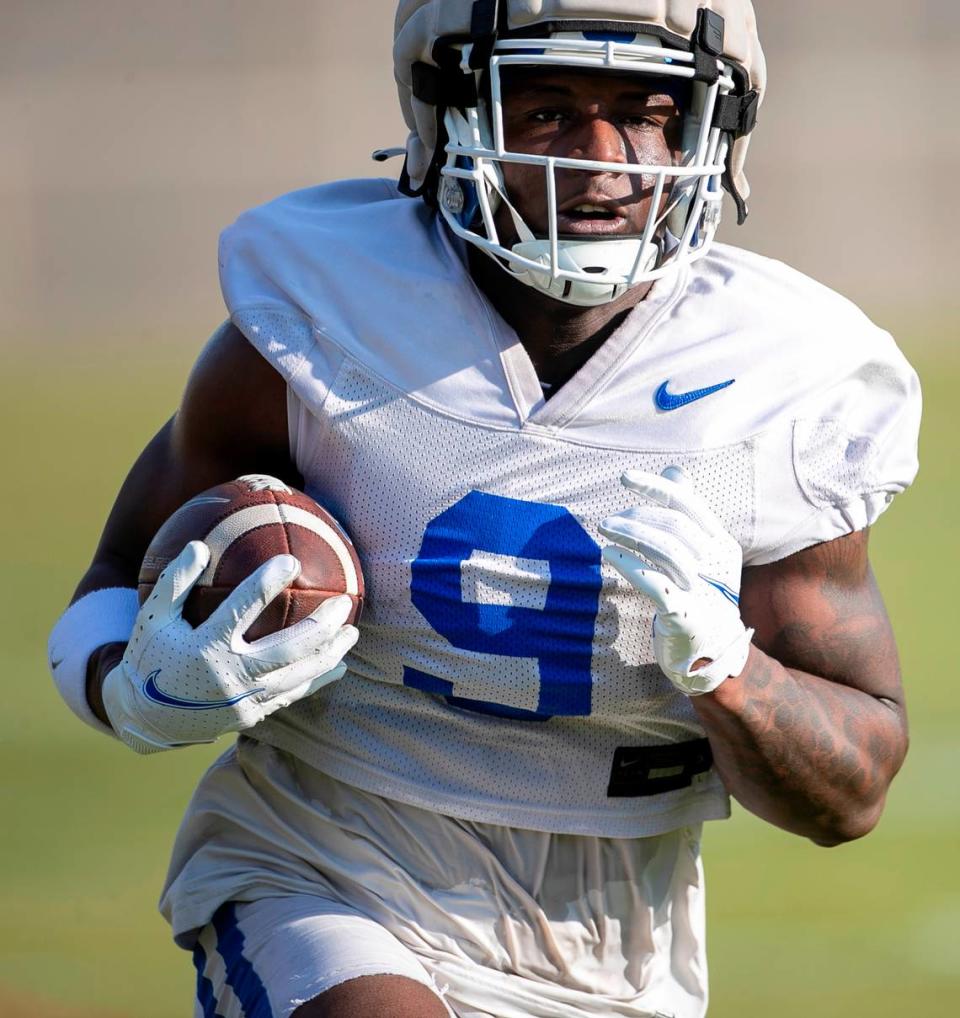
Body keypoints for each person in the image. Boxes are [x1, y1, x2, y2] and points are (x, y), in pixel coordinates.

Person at [48, 2, 921, 1016]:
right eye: (547, 110)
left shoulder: (784, 377)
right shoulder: (323, 306)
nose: (601, 161)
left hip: (615, 932)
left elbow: (851, 792)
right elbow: (115, 576)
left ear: (708, 131)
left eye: (647, 113)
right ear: (451, 115)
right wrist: (136, 689)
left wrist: (730, 670)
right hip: (328, 857)